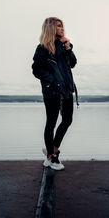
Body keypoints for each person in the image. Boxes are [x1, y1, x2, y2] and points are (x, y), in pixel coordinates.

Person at [32, 17, 78, 170]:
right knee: (51, 122)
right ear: (51, 28)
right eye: (58, 26)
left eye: (62, 26)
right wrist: (52, 80)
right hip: (52, 91)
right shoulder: (42, 48)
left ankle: (54, 148)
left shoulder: (64, 46)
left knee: (67, 120)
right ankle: (51, 158)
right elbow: (36, 69)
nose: (62, 28)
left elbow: (73, 63)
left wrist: (67, 47)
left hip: (66, 90)